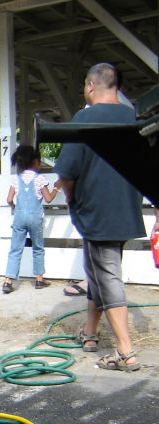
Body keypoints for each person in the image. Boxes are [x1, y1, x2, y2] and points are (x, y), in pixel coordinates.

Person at [55, 63, 159, 371]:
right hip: (125, 209)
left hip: (96, 211)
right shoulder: (135, 120)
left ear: (90, 86)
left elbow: (67, 171)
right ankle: (89, 333)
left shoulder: (84, 119)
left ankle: (126, 352)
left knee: (108, 275)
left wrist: (73, 197)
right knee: (97, 271)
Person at [1, 145, 59, 294]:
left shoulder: (15, 179)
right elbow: (48, 199)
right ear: (34, 162)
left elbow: (8, 199)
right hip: (35, 218)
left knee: (15, 249)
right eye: (39, 161)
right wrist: (57, 188)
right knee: (38, 248)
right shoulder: (40, 179)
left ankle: (8, 281)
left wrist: (14, 207)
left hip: (19, 217)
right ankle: (39, 279)